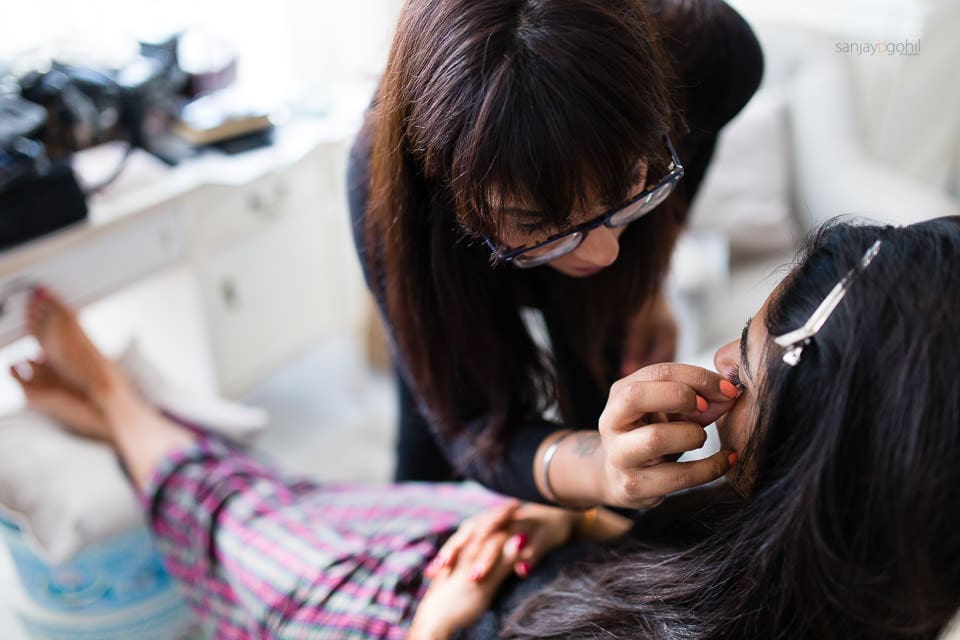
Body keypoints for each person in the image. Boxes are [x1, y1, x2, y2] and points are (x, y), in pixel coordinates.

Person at [12, 217, 960, 638]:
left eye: (743, 367)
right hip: (503, 558)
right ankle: (121, 413)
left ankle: (115, 399)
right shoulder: (829, 554)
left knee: (228, 518)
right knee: (298, 495)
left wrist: (434, 626)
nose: (716, 365)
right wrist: (574, 513)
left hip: (428, 615)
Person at [348, 0, 765, 512]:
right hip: (448, 253)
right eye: (532, 223)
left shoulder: (714, 55)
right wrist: (597, 469)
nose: (606, 253)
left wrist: (648, 283)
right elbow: (472, 425)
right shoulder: (386, 187)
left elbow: (678, 184)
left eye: (629, 185)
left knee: (604, 396)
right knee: (432, 426)